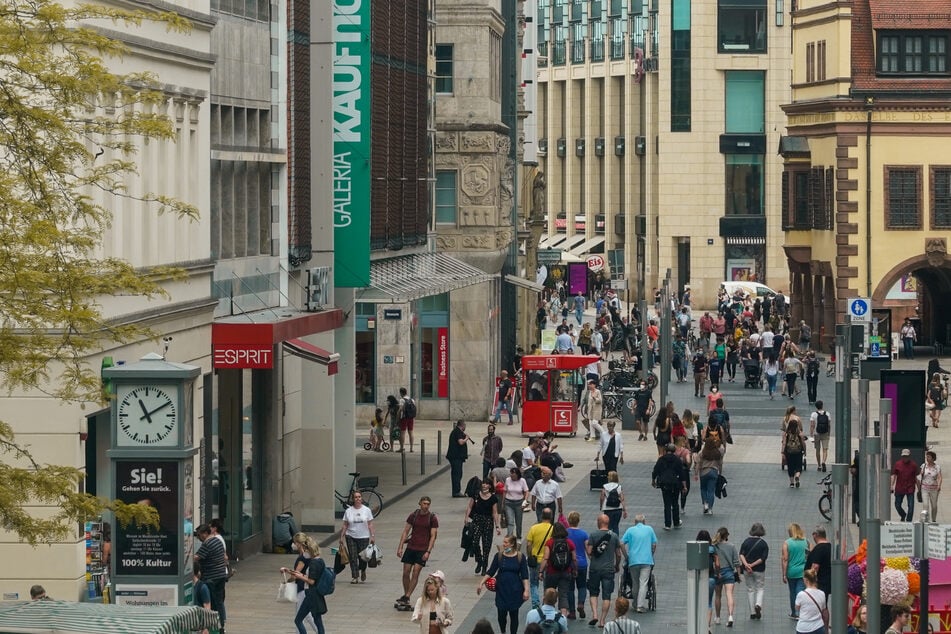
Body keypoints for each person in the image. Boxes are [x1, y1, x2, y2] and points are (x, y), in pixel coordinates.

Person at [478, 534, 529, 634]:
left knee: (514, 615)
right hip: (501, 589)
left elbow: (524, 575)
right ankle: (503, 631)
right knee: (501, 614)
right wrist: (481, 583)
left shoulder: (520, 557)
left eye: (506, 542)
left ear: (512, 544)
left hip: (515, 590)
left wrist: (526, 590)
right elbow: (491, 571)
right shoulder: (499, 556)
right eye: (503, 542)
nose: (504, 544)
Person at [396, 497, 439, 607]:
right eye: (424, 503)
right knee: (406, 572)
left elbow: (433, 536)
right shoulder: (413, 516)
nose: (426, 506)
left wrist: (428, 551)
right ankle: (406, 595)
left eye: (428, 504)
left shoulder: (432, 518)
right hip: (411, 547)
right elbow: (406, 531)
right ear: (419, 503)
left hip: (422, 549)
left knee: (416, 571)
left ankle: (407, 596)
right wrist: (400, 547)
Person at [587, 514, 626, 628]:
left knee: (593, 593)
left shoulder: (593, 535)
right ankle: (602, 620)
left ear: (599, 522)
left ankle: (594, 614)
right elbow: (618, 554)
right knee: (606, 595)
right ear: (608, 523)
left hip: (594, 568)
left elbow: (589, 551)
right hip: (608, 569)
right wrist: (617, 565)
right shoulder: (614, 536)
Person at [282, 543, 328, 634]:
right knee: (318, 621)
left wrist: (300, 577)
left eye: (307, 551)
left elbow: (311, 581)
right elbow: (311, 577)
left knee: (299, 620)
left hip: (311, 594)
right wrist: (293, 572)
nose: (305, 553)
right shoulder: (320, 561)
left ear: (311, 551)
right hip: (316, 595)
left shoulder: (314, 563)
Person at [194, 523, 228, 633]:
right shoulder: (217, 540)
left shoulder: (207, 544)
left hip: (211, 577)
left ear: (205, 533)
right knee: (219, 601)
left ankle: (214, 626)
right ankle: (222, 624)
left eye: (199, 535)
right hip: (221, 575)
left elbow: (196, 558)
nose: (198, 538)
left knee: (211, 603)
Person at [620, 514, 657, 614]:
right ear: (644, 521)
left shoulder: (630, 530)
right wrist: (651, 553)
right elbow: (654, 544)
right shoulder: (649, 529)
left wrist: (626, 556)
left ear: (635, 522)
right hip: (646, 560)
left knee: (635, 583)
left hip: (633, 561)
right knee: (643, 582)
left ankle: (635, 603)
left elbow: (621, 543)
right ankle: (640, 606)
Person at [465, 479, 501, 575]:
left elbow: (495, 512)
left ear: (490, 486)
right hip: (477, 520)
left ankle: (485, 565)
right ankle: (479, 560)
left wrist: (497, 525)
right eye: (483, 483)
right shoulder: (476, 494)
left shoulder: (493, 498)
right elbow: (469, 506)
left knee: (486, 545)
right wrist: (466, 518)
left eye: (487, 484)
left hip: (488, 521)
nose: (484, 485)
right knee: (474, 542)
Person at [541, 521, 578, 616]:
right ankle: (563, 616)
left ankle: (547, 615)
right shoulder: (569, 542)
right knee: (563, 595)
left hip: (551, 572)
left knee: (548, 593)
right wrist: (575, 569)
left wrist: (540, 571)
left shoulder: (549, 542)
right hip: (565, 571)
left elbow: (545, 558)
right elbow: (574, 558)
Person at [340, 491, 375, 586]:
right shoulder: (348, 511)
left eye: (359, 497)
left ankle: (363, 570)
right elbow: (345, 525)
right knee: (353, 557)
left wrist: (372, 536)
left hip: (363, 536)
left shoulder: (366, 510)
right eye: (356, 497)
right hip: (350, 536)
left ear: (362, 498)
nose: (358, 499)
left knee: (363, 558)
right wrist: (341, 537)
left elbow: (370, 524)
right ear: (353, 499)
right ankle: (355, 576)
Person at [652, 443, 688, 530]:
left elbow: (655, 470)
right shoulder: (677, 460)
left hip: (664, 484)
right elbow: (682, 474)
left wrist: (653, 480)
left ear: (666, 450)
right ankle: (676, 522)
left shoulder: (661, 459)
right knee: (675, 503)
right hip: (675, 483)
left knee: (667, 504)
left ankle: (667, 524)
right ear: (674, 451)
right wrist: (684, 486)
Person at [290, 533, 320, 634]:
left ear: (299, 544)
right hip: (306, 588)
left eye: (294, 542)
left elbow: (295, 574)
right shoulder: (308, 555)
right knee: (307, 615)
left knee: (299, 617)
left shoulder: (302, 558)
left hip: (301, 587)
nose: (293, 544)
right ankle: (319, 631)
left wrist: (286, 580)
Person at [525, 509, 555, 609]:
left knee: (534, 583)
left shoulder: (534, 528)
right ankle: (545, 602)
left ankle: (535, 603)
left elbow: (529, 544)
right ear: (551, 516)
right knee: (547, 584)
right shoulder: (553, 529)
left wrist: (530, 555)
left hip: (535, 560)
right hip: (548, 561)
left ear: (541, 516)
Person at [739, 523, 769, 621]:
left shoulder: (746, 542)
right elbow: (763, 558)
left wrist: (747, 565)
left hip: (747, 570)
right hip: (759, 569)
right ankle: (758, 604)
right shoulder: (763, 543)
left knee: (750, 589)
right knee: (760, 588)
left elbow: (741, 554)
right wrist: (753, 565)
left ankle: (752, 612)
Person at [711, 526, 740, 627]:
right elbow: (737, 562)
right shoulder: (731, 546)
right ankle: (730, 616)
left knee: (718, 596)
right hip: (729, 572)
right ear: (726, 535)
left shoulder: (714, 546)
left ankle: (718, 617)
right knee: (729, 594)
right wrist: (739, 575)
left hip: (717, 572)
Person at [565, 511, 590, 620]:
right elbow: (588, 550)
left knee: (570, 588)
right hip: (582, 563)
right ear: (578, 521)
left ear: (568, 520)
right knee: (582, 586)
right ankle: (581, 603)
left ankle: (572, 611)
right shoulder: (584, 534)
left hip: (569, 564)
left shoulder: (565, 533)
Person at [782, 522, 808, 619]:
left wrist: (784, 574)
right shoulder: (806, 541)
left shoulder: (787, 543)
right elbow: (810, 555)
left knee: (792, 592)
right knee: (800, 590)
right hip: (803, 571)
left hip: (791, 571)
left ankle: (794, 612)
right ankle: (800, 612)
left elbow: (785, 559)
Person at [695, 435, 726, 515]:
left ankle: (705, 503)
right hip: (714, 472)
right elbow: (720, 464)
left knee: (703, 488)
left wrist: (696, 473)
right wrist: (720, 473)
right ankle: (710, 509)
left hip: (703, 472)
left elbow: (698, 464)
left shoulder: (702, 453)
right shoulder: (717, 453)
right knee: (711, 491)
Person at [795, 570, 827, 634]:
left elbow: (797, 608)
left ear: (806, 580)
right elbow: (824, 610)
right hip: (818, 627)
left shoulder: (801, 595)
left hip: (804, 628)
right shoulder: (822, 593)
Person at [891, 448, 919, 521]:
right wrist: (891, 485)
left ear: (909, 456)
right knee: (897, 505)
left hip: (910, 488)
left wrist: (919, 488)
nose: (905, 458)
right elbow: (894, 475)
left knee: (911, 506)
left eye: (906, 456)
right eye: (904, 456)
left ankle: (909, 520)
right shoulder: (898, 464)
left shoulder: (913, 465)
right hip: (899, 487)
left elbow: (916, 477)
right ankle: (903, 514)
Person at [503, 467, 530, 539]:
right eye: (511, 474)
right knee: (510, 521)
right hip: (509, 502)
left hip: (519, 503)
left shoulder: (522, 481)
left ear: (517, 475)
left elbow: (526, 491)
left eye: (513, 475)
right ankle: (510, 537)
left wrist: (525, 500)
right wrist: (503, 502)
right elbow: (505, 491)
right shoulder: (507, 480)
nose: (512, 476)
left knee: (518, 522)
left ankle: (518, 536)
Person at [783, 407, 806, 488]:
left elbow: (784, 443)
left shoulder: (786, 433)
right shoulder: (799, 433)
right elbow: (803, 442)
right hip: (798, 451)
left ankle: (792, 483)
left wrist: (782, 452)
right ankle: (797, 476)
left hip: (789, 451)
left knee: (790, 466)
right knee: (799, 466)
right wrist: (804, 450)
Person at [805, 526, 831, 597]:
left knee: (821, 606)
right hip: (828, 581)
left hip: (820, 583)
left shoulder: (819, 549)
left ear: (815, 535)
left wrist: (811, 582)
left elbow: (815, 566)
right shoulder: (830, 546)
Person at [447, 420, 471, 498]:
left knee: (457, 473)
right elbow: (461, 442)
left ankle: (456, 490)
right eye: (465, 426)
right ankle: (456, 491)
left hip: (456, 457)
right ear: (462, 425)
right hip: (456, 457)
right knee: (457, 474)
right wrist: (467, 438)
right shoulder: (458, 432)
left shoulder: (456, 432)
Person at [601, 471, 628, 535]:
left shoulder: (605, 486)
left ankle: (609, 540)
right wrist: (624, 510)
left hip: (607, 509)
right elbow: (622, 499)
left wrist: (601, 506)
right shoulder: (619, 486)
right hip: (618, 508)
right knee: (615, 526)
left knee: (609, 526)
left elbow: (602, 497)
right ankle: (616, 540)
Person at [809, 401, 831, 473]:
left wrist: (811, 435)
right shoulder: (827, 414)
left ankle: (819, 465)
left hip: (816, 433)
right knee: (825, 449)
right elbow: (829, 425)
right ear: (822, 405)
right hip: (825, 433)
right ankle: (823, 461)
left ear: (816, 406)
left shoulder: (814, 414)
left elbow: (812, 425)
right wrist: (829, 434)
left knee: (817, 450)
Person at [920, 450, 943, 520]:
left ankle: (933, 520)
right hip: (924, 488)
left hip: (934, 489)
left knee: (934, 506)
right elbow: (919, 476)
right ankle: (925, 520)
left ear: (933, 458)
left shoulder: (937, 467)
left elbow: (939, 477)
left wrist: (939, 485)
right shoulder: (923, 466)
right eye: (926, 457)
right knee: (925, 505)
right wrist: (921, 473)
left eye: (929, 457)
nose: (927, 458)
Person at [193, 563, 212, 634]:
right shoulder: (185, 587)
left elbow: (207, 608)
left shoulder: (202, 587)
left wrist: (206, 627)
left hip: (199, 628)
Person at [398, 386, 416, 452]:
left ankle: (402, 448)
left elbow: (400, 410)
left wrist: (398, 418)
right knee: (411, 432)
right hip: (411, 418)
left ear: (401, 393)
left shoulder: (402, 400)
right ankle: (411, 448)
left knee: (402, 432)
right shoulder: (412, 400)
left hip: (404, 418)